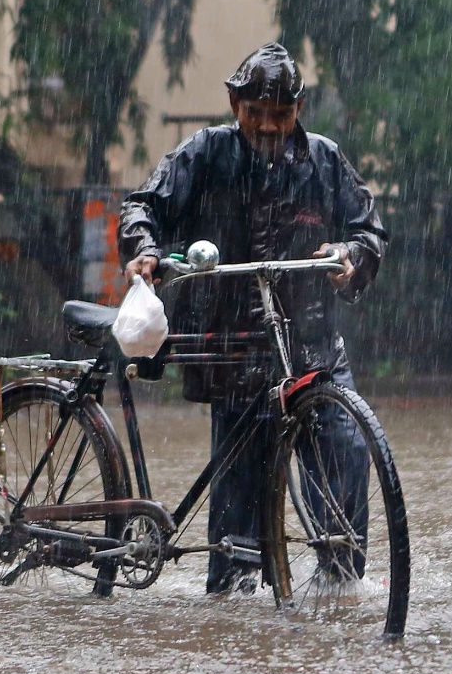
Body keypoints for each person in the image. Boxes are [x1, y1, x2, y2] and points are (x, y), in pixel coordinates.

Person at [119, 43, 388, 594]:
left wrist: (351, 257)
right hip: (235, 349)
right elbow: (141, 204)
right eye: (256, 113)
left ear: (299, 109)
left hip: (313, 350)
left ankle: (339, 582)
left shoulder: (324, 159)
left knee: (348, 448)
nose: (268, 125)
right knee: (240, 512)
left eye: (281, 114)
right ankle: (234, 600)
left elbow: (369, 231)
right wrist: (145, 247)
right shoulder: (207, 153)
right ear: (234, 104)